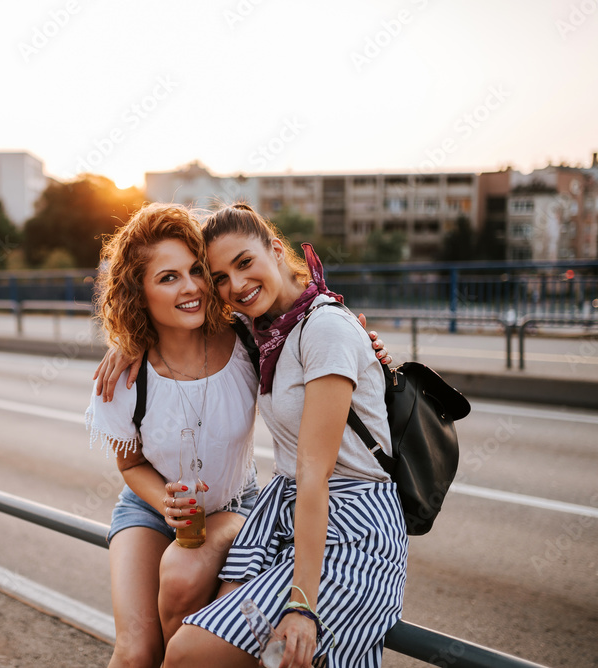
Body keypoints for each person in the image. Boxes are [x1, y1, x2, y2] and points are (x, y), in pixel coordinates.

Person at [89, 204, 391, 668]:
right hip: (153, 506)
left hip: (237, 503)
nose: (192, 287)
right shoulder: (124, 375)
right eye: (168, 278)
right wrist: (165, 502)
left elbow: (311, 333)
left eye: (195, 272)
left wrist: (362, 346)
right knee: (135, 653)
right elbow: (129, 465)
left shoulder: (248, 338)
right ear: (139, 293)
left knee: (187, 586)